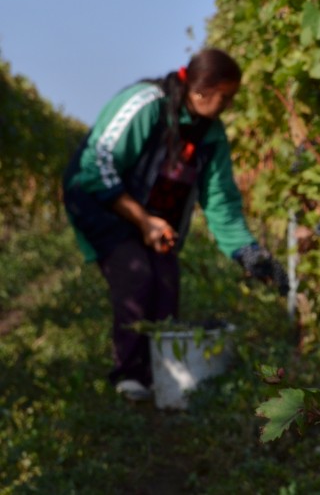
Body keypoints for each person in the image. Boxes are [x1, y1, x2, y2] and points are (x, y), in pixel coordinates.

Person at [62, 47, 286, 402]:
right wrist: (143, 220)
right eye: (225, 98)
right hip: (101, 203)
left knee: (166, 283)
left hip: (152, 216)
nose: (228, 106)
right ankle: (130, 377)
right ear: (200, 91)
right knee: (136, 277)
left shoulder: (210, 136)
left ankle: (161, 373)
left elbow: (221, 201)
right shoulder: (145, 104)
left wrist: (249, 253)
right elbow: (97, 164)